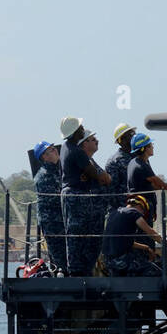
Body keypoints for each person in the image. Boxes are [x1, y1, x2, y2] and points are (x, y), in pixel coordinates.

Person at [58, 116, 111, 276]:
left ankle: (78, 271)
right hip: (77, 197)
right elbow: (100, 177)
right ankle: (79, 273)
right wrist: (105, 177)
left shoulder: (66, 147)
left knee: (77, 236)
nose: (83, 129)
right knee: (80, 237)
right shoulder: (76, 151)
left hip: (72, 196)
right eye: (81, 128)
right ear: (75, 132)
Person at [127, 132, 167, 223]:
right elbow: (162, 185)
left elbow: (153, 185)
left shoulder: (134, 162)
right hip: (142, 208)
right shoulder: (142, 166)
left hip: (136, 205)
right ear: (144, 148)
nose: (153, 147)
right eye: (150, 145)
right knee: (145, 236)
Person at [101, 195, 163, 277]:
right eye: (143, 212)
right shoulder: (133, 212)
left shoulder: (114, 213)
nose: (142, 215)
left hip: (108, 261)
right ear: (140, 206)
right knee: (157, 272)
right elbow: (151, 233)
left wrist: (146, 248)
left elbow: (125, 242)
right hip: (122, 260)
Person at [31, 140, 66, 270]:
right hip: (53, 223)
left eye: (54, 148)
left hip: (63, 220)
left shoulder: (60, 170)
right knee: (59, 257)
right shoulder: (43, 176)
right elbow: (56, 198)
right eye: (50, 150)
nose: (55, 150)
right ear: (44, 157)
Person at [104, 123, 137, 217]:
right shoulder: (114, 162)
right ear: (121, 140)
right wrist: (121, 212)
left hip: (140, 209)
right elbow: (111, 191)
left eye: (134, 134)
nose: (134, 137)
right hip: (123, 212)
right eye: (130, 135)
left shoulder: (139, 157)